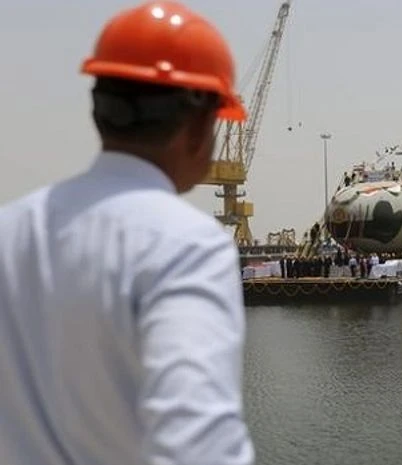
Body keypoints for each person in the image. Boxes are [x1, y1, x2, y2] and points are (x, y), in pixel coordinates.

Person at [0, 2, 254, 465]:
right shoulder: (188, 246)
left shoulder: (9, 229)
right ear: (200, 126)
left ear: (99, 109)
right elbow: (198, 449)